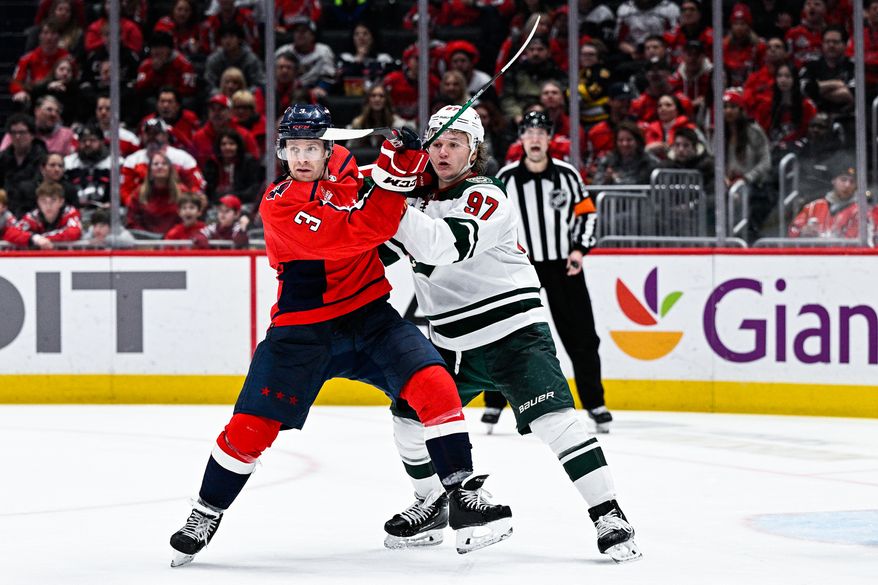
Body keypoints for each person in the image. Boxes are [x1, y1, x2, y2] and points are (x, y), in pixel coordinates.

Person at [168, 104, 513, 567]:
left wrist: (406, 159)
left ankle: (460, 493)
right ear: (282, 153)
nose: (302, 158)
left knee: (434, 383)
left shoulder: (351, 176)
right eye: (293, 149)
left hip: (370, 318)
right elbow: (357, 234)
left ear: (329, 149)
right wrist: (395, 177)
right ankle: (205, 511)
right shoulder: (278, 203)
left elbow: (388, 186)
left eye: (311, 148)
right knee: (250, 430)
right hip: (300, 331)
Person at [377, 105, 640, 562]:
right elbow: (377, 254)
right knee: (407, 416)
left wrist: (389, 197)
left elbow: (444, 246)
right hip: (451, 343)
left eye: (454, 143)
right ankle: (431, 504)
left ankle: (609, 513)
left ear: (474, 150)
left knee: (555, 422)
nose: (442, 152)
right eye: (436, 143)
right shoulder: (417, 199)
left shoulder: (487, 196)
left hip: (512, 332)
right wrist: (375, 182)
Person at [485, 110, 611, 434]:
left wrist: (579, 249)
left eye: (541, 133)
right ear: (521, 139)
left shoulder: (568, 176)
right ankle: (494, 403)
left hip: (563, 266)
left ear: (550, 138)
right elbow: (493, 223)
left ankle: (595, 403)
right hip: (520, 268)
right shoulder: (507, 179)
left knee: (581, 336)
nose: (536, 138)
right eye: (529, 132)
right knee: (508, 333)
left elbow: (587, 214)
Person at [788, 159, 863, 239]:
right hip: (817, 251)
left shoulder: (861, 211)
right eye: (843, 179)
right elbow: (793, 230)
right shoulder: (813, 207)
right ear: (834, 181)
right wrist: (803, 230)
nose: (847, 185)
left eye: (852, 182)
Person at [2, 180, 81, 249]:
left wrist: (43, 239)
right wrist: (35, 238)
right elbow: (10, 232)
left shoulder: (70, 213)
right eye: (43, 201)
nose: (48, 205)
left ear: (61, 201)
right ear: (38, 202)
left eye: (53, 200)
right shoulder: (33, 216)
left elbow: (74, 232)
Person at [126, 151, 186, 235]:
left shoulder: (182, 192)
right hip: (146, 241)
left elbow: (188, 220)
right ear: (150, 170)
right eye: (156, 164)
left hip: (175, 241)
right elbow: (132, 220)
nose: (160, 167)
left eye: (164, 164)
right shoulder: (138, 193)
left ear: (170, 169)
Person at [0, 114, 49, 217]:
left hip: (33, 209)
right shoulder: (4, 157)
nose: (17, 137)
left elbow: (38, 186)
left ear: (32, 135)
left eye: (22, 132)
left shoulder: (42, 157)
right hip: (5, 209)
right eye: (13, 133)